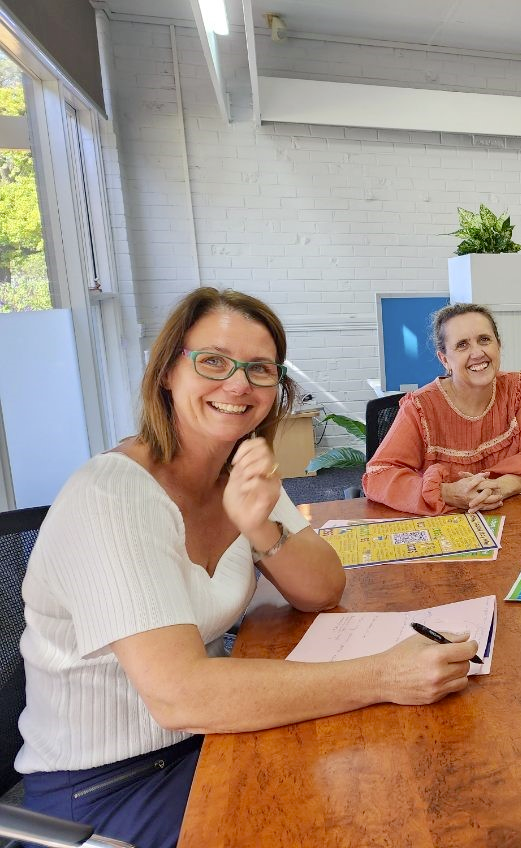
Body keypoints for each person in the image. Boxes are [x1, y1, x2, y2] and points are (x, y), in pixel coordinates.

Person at [17, 288, 480, 848]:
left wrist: (261, 525)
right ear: (167, 371)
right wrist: (383, 675)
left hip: (207, 739)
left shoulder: (236, 466)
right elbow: (179, 695)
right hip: (106, 788)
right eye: (213, 361)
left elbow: (321, 589)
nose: (238, 384)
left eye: (260, 370)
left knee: (394, 783)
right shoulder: (109, 497)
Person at [363, 303, 521, 514]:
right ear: (444, 360)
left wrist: (501, 487)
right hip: (446, 525)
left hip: (509, 514)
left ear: (499, 345)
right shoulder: (419, 407)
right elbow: (379, 475)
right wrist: (446, 493)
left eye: (484, 340)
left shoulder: (518, 388)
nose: (477, 353)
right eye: (462, 345)